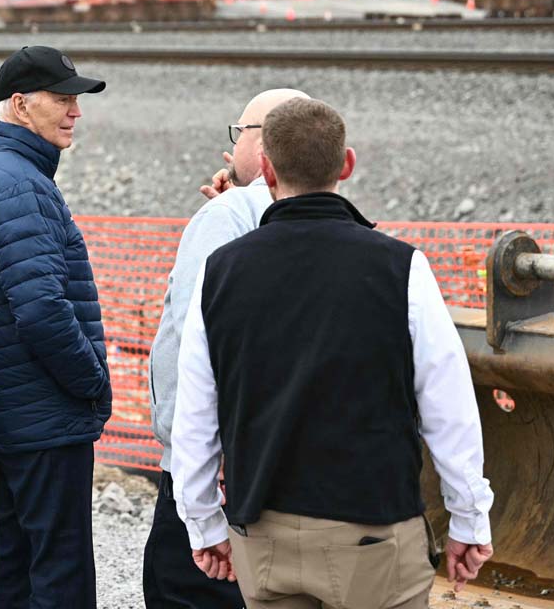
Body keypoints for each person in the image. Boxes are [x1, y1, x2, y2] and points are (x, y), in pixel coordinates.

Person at [171, 98, 494, 609]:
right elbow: (447, 405)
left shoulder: (220, 271)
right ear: (346, 164)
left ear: (268, 171)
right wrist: (469, 520)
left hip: (263, 535)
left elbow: (195, 413)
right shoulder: (401, 268)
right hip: (373, 534)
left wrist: (203, 523)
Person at [0, 45, 111, 608]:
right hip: (45, 416)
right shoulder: (21, 184)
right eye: (63, 99)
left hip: (10, 411)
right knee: (60, 572)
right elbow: (41, 308)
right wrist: (91, 381)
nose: (76, 111)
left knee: (17, 565)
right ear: (20, 105)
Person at [143, 88, 308, 609]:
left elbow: (203, 344)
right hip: (292, 463)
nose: (231, 146)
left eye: (238, 133)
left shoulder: (225, 219)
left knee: (184, 590)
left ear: (262, 145)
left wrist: (203, 454)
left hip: (216, 466)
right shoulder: (330, 219)